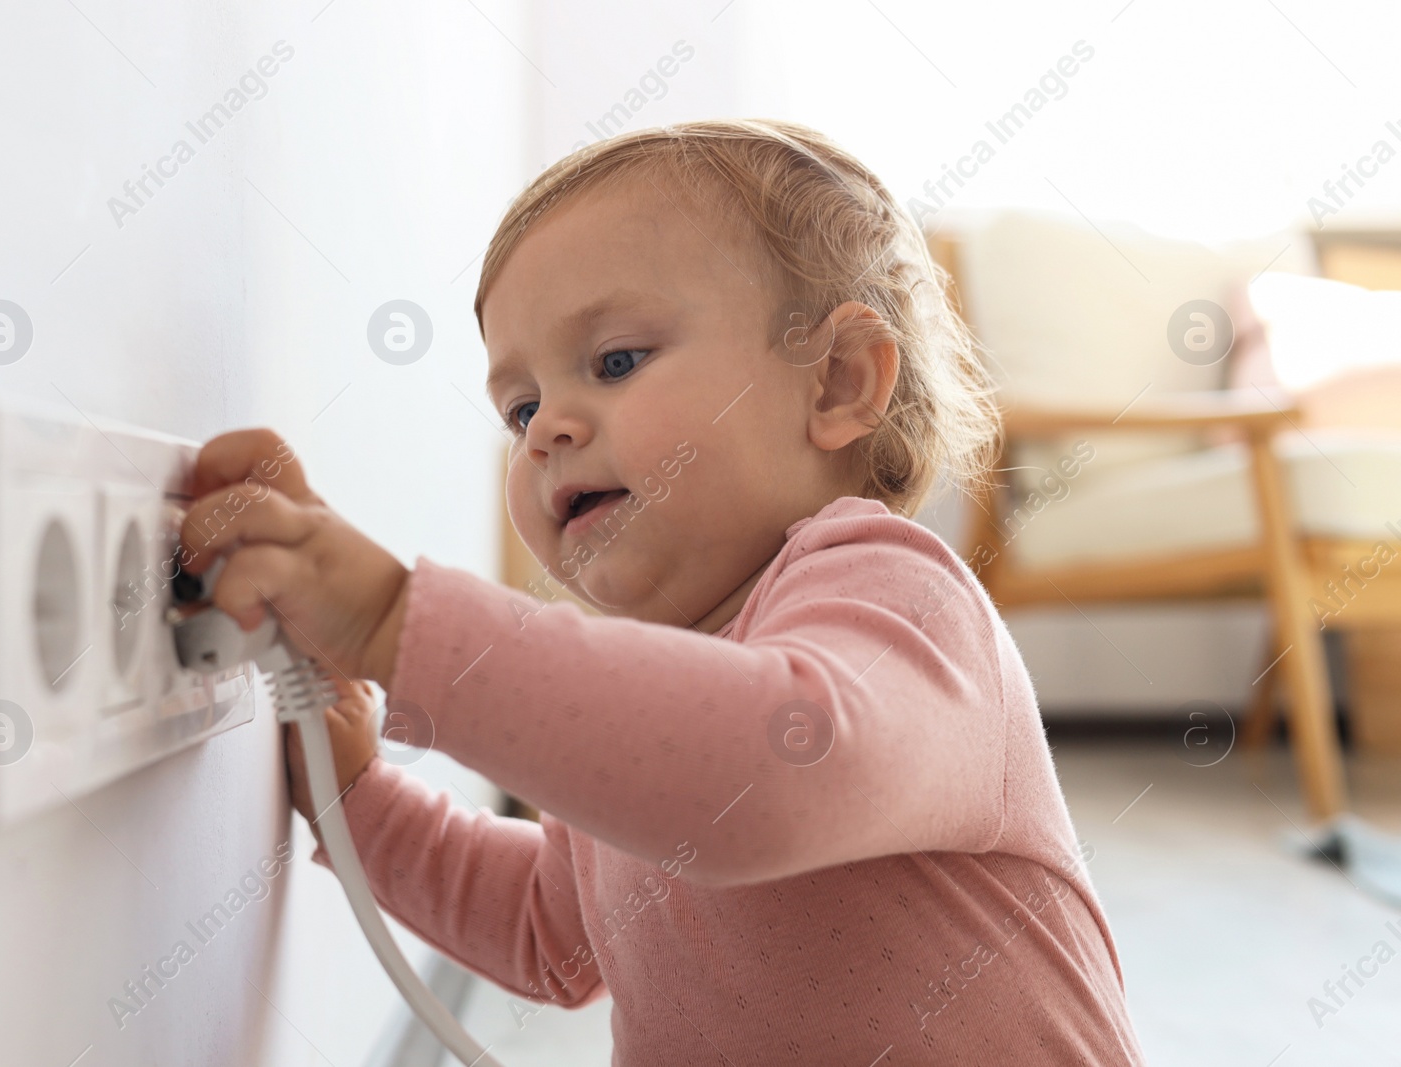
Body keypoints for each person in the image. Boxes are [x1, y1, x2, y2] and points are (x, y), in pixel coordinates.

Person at [179, 118, 1147, 1065]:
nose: (549, 424)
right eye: (518, 407)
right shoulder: (653, 712)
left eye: (615, 361)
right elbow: (546, 929)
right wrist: (356, 797)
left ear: (837, 382)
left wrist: (396, 623)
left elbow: (767, 772)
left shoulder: (899, 595)